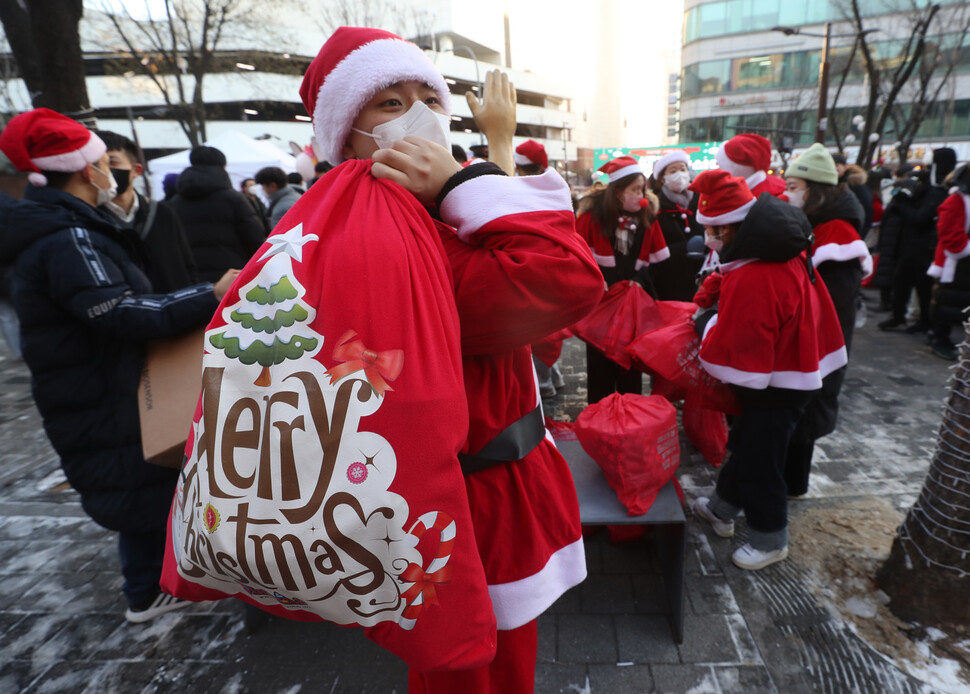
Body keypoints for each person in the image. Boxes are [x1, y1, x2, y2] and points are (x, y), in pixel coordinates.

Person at [299, 27, 604, 692]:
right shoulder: (405, 241)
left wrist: (479, 170)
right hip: (468, 509)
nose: (418, 115)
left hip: (446, 502)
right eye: (388, 103)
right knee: (478, 674)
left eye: (427, 98)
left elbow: (531, 322)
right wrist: (471, 180)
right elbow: (566, 280)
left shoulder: (382, 223)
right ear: (346, 136)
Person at [0, 108, 239, 622]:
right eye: (104, 162)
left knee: (143, 487)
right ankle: (149, 590)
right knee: (141, 486)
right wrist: (209, 294)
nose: (113, 172)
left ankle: (157, 583)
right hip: (105, 389)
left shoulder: (64, 228)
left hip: (98, 384)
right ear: (89, 171)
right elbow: (118, 310)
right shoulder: (69, 237)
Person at [689, 169, 847, 570]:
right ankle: (722, 509)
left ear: (733, 227)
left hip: (778, 380)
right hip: (794, 366)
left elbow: (740, 344)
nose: (710, 239)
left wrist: (704, 322)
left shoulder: (757, 271)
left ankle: (769, 538)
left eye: (714, 231)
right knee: (747, 442)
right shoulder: (777, 247)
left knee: (762, 459)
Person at [783, 143, 872, 497]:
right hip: (812, 335)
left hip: (821, 338)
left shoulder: (837, 234)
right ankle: (791, 482)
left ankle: (793, 486)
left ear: (814, 190)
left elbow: (832, 301)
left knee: (808, 409)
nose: (787, 194)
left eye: (793, 188)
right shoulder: (819, 222)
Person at [577, 156, 667, 404]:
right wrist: (596, 280)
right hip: (601, 306)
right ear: (617, 192)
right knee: (599, 366)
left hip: (632, 306)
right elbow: (577, 257)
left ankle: (631, 414)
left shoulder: (647, 216)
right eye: (635, 189)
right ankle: (600, 415)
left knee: (630, 366)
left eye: (643, 189)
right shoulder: (590, 218)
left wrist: (639, 280)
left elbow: (656, 264)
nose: (641, 195)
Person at [97, 131, 198, 293]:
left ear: (136, 170)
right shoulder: (91, 217)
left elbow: (187, 265)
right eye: (98, 165)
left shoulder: (163, 212)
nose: (106, 172)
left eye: (112, 163)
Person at [877, 149, 955, 334]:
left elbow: (920, 217)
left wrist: (902, 204)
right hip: (912, 246)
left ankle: (923, 321)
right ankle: (901, 316)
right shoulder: (932, 187)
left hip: (923, 249)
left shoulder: (939, 192)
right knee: (904, 284)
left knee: (922, 289)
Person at [168, 145, 266, 282]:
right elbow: (255, 239)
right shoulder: (235, 199)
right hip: (232, 278)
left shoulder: (173, 203)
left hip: (191, 281)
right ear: (223, 167)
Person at [648, 150, 705, 301]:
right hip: (670, 283)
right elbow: (652, 248)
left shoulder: (701, 200)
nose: (679, 174)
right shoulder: (655, 207)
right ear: (662, 178)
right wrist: (683, 248)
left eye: (683, 169)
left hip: (702, 279)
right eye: (673, 171)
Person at [927, 163, 970, 361]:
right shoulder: (956, 200)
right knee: (947, 301)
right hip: (955, 261)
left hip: (964, 261)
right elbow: (949, 234)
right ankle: (939, 339)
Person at [715, 133, 787, 199]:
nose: (717, 168)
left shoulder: (776, 195)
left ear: (737, 167)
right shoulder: (779, 188)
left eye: (720, 165)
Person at [832, 152, 873, 242]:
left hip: (852, 236)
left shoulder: (856, 184)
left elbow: (867, 211)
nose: (833, 168)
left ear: (845, 166)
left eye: (836, 165)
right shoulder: (830, 184)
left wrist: (858, 237)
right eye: (830, 165)